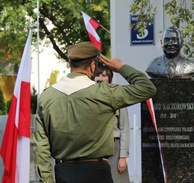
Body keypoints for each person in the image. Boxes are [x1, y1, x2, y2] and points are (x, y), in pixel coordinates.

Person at [33, 41, 156, 183]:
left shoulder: (46, 97)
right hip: (97, 172)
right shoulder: (105, 92)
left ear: (70, 64)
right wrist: (120, 67)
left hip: (63, 172)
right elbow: (148, 88)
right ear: (92, 65)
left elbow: (41, 149)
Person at [94, 64, 130, 183]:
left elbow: (124, 127)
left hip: (114, 146)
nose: (100, 78)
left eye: (104, 75)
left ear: (109, 78)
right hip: (94, 148)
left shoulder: (117, 96)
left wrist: (123, 157)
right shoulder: (88, 97)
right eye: (97, 75)